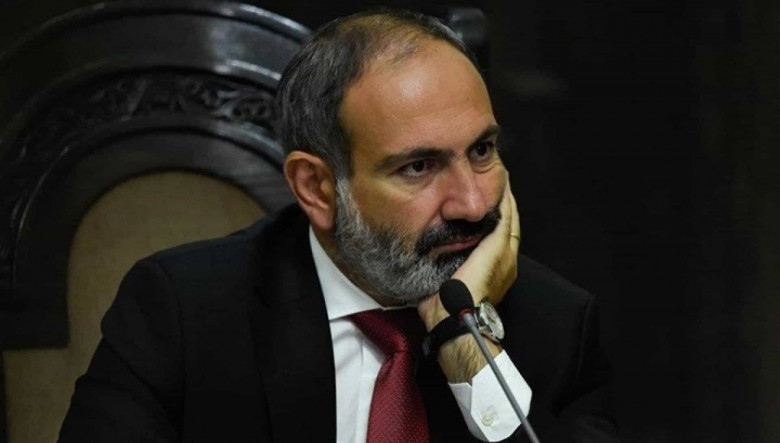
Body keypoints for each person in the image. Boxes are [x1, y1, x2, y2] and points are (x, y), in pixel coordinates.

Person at [59, 9, 616, 443]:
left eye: (482, 150)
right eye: (418, 167)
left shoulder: (555, 325)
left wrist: (464, 340)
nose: (471, 204)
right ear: (318, 188)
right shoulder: (185, 312)